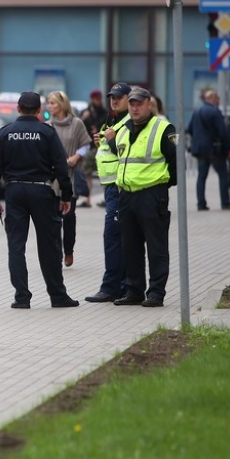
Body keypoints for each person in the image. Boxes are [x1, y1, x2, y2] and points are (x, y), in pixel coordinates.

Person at [0, 91, 78, 309]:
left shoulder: (6, 133)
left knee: (16, 246)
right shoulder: (47, 132)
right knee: (49, 245)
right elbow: (61, 166)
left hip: (14, 192)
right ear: (39, 110)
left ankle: (22, 297)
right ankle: (58, 296)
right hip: (42, 191)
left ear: (18, 108)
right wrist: (66, 195)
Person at [111, 87, 177, 307]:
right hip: (127, 196)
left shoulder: (163, 128)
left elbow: (176, 163)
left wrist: (161, 186)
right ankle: (134, 291)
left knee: (156, 247)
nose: (135, 108)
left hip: (152, 195)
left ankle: (156, 293)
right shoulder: (123, 130)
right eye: (132, 104)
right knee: (130, 246)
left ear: (149, 104)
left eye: (139, 103)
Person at [85, 82, 132, 303]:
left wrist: (111, 141)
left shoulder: (128, 122)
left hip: (120, 186)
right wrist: (102, 142)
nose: (114, 101)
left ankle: (112, 287)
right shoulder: (112, 121)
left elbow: (127, 153)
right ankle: (120, 286)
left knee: (113, 236)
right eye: (112, 97)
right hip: (111, 186)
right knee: (117, 236)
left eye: (119, 97)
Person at [46, 91, 92, 267]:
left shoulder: (76, 123)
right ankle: (56, 252)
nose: (49, 106)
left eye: (52, 103)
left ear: (62, 104)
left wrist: (76, 156)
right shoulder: (48, 126)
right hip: (52, 178)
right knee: (53, 218)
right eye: (48, 103)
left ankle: (69, 250)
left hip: (70, 175)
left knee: (69, 216)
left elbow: (86, 144)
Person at [186, 88, 230, 210]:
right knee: (223, 174)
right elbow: (222, 131)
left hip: (200, 149)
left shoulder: (197, 111)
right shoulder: (215, 112)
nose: (218, 101)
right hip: (214, 149)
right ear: (212, 98)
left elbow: (189, 129)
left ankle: (201, 203)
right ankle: (225, 202)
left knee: (201, 176)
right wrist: (228, 147)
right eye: (217, 98)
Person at [80, 89, 108, 206]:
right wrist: (83, 118)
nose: (98, 101)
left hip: (101, 146)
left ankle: (106, 198)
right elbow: (79, 127)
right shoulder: (86, 112)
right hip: (89, 146)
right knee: (87, 173)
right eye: (96, 99)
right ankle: (87, 199)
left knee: (104, 173)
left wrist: (98, 129)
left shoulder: (104, 113)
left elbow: (107, 125)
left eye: (99, 99)